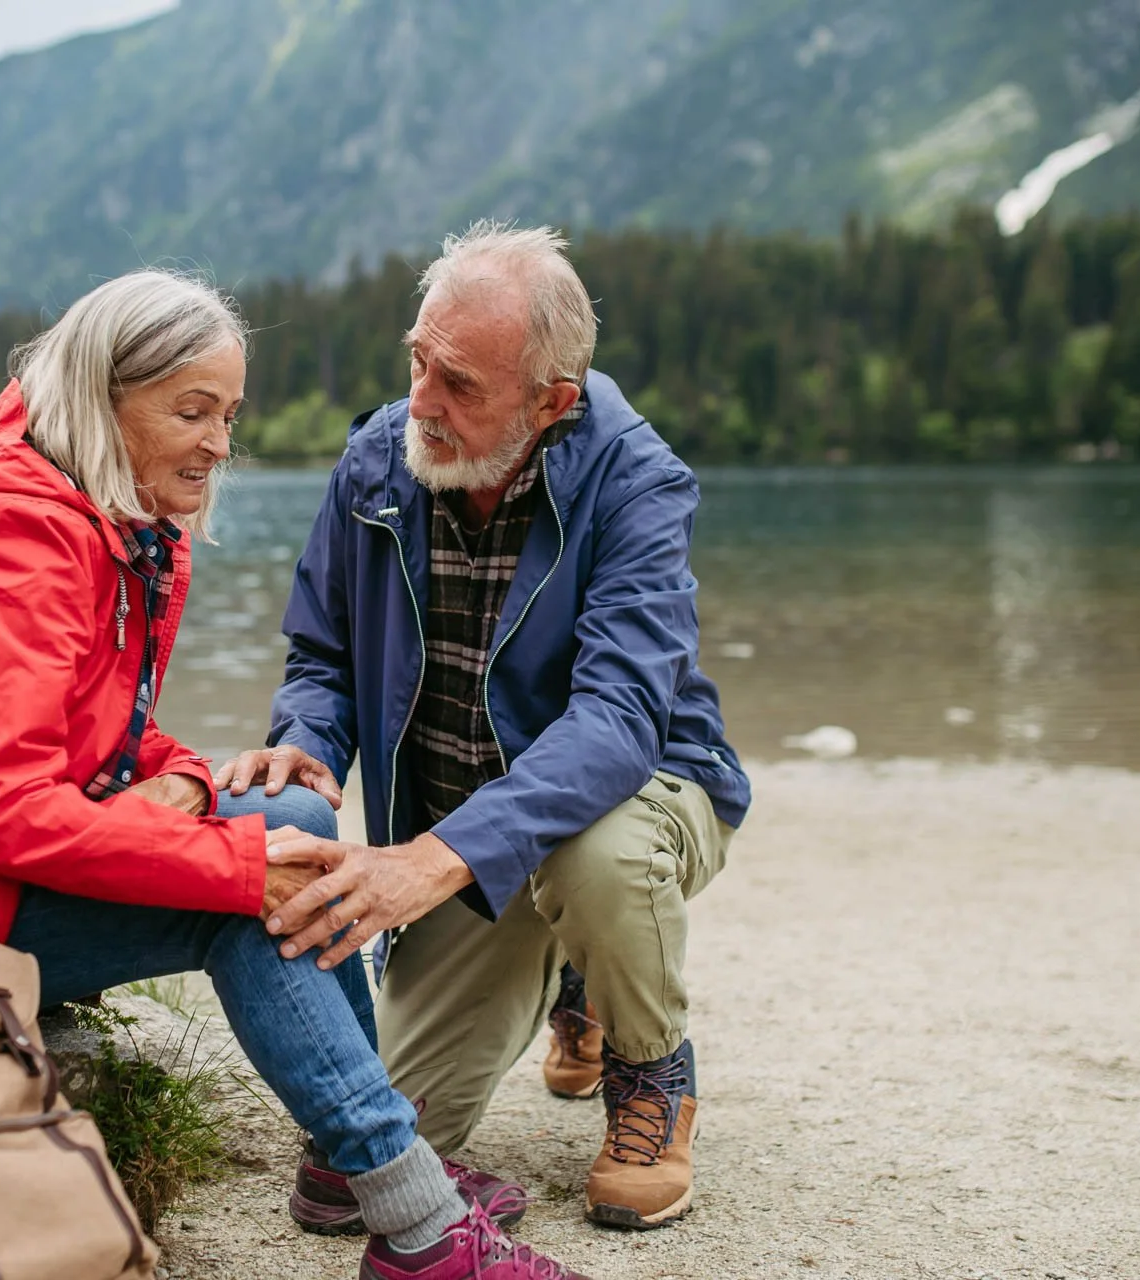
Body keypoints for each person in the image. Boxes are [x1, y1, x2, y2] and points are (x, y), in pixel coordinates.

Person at [0, 270, 587, 1279]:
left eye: (230, 414)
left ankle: (344, 1159)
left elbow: (102, 727)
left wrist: (189, 779)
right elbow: (11, 810)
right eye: (192, 411)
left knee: (285, 810)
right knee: (248, 894)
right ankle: (420, 1228)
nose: (221, 444)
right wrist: (230, 866)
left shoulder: (102, 523)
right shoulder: (13, 539)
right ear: (102, 401)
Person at [217, 225, 751, 1231]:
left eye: (458, 382)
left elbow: (619, 720)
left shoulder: (638, 481)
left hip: (641, 793)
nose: (421, 401)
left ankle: (651, 1074)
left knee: (598, 851)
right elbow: (323, 655)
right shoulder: (377, 461)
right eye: (418, 359)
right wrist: (309, 743)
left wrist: (433, 856)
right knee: (364, 1160)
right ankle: (576, 986)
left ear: (552, 399)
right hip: (471, 842)